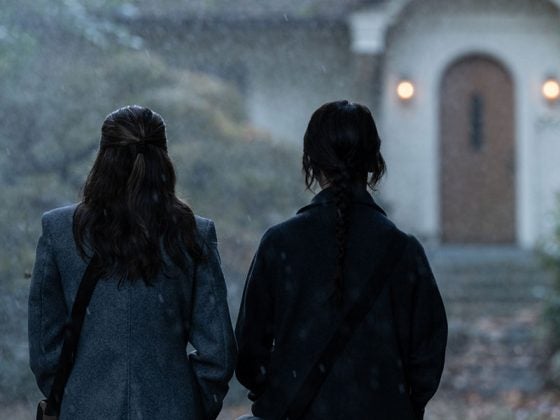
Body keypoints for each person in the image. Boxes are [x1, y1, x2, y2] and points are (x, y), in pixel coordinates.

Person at [235, 100, 447, 419]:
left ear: (311, 161)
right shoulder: (403, 251)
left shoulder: (279, 243)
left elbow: (249, 353)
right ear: (374, 162)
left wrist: (280, 393)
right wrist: (400, 404)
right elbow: (427, 355)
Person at [28, 105, 236, 420]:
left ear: (103, 158)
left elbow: (46, 347)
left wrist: (74, 396)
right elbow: (218, 352)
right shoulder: (194, 233)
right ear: (164, 160)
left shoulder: (59, 231)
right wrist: (188, 404)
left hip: (85, 410)